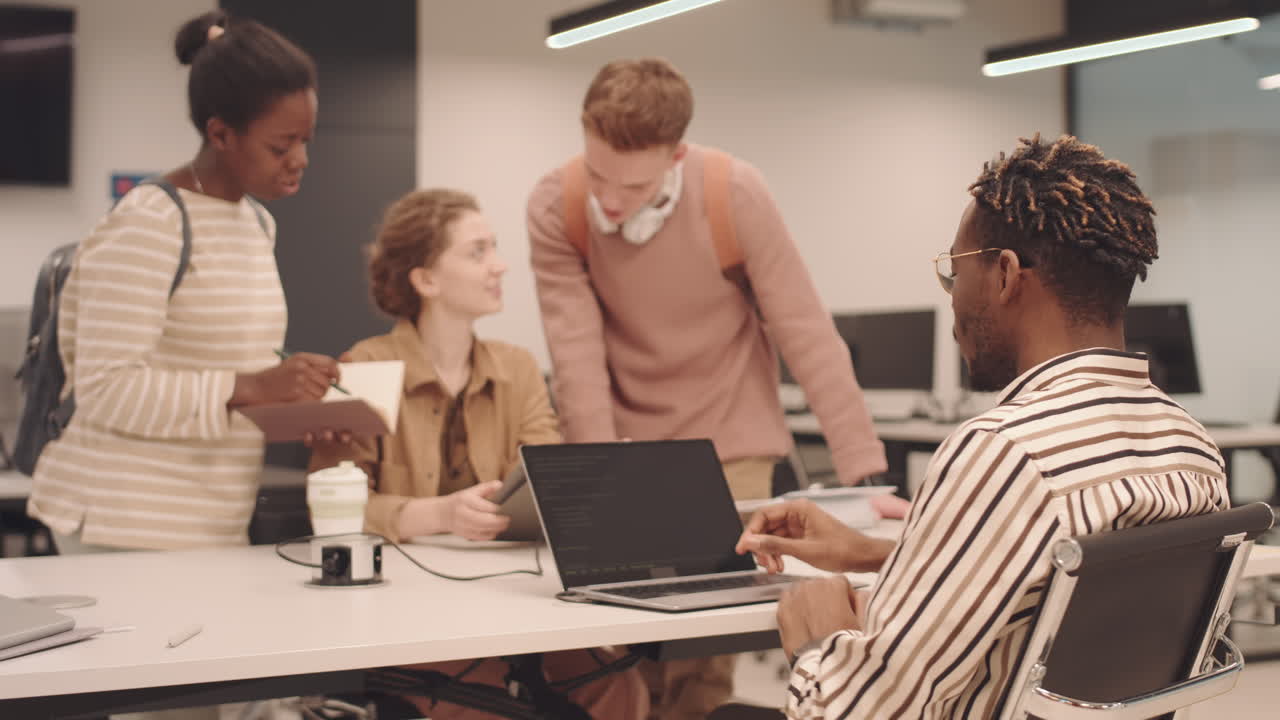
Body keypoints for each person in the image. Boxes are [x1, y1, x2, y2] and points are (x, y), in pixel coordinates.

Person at [735, 135, 1230, 719]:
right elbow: (1054, 590)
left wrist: (815, 641)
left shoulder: (1004, 453)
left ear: (1005, 275)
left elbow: (860, 713)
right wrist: (885, 554)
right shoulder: (1193, 448)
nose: (952, 297)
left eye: (955, 271)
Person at [527, 57, 892, 719]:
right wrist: (600, 485)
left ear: (676, 155)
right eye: (600, 173)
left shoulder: (732, 193)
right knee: (616, 647)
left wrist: (864, 471)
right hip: (626, 443)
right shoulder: (556, 205)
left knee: (698, 650)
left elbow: (804, 331)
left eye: (633, 184)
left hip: (729, 440)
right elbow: (576, 359)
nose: (610, 199)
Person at [309, 188, 648, 720]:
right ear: (425, 280)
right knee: (479, 698)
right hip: (405, 605)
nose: (500, 265)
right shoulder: (363, 367)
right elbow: (334, 511)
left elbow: (547, 482)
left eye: (495, 247)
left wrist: (588, 483)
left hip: (510, 595)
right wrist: (440, 514)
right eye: (478, 252)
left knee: (616, 686)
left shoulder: (517, 367)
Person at [26, 9, 338, 555]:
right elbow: (105, 390)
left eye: (306, 141)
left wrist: (305, 400)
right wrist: (256, 385)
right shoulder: (150, 221)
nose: (300, 161)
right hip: (122, 521)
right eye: (281, 145)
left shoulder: (257, 223)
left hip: (212, 517)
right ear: (220, 133)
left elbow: (222, 374)